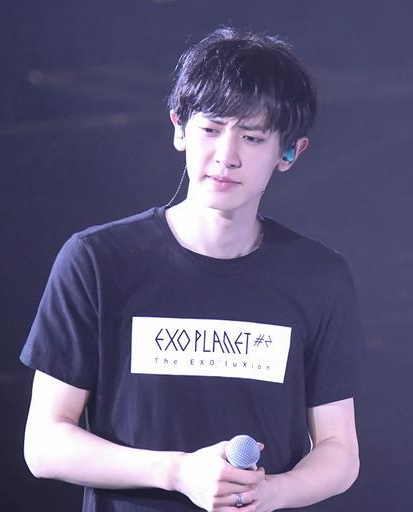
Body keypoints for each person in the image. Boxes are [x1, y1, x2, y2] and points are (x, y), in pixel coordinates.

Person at [21, 26, 364, 512]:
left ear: (289, 151)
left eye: (252, 137)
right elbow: (44, 442)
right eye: (210, 129)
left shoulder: (319, 277)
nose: (227, 156)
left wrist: (270, 493)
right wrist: (180, 473)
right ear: (179, 128)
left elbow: (339, 451)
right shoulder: (98, 261)